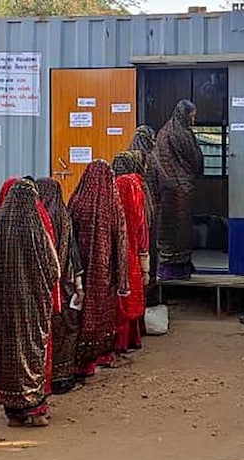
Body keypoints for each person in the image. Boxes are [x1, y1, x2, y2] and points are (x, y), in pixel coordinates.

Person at [0, 179, 60, 428]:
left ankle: (13, 411)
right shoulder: (35, 229)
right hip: (31, 308)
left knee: (7, 357)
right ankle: (34, 410)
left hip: (1, 310)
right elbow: (52, 267)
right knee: (31, 353)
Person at [69, 161, 130, 377]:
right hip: (104, 272)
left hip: (79, 270)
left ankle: (78, 361)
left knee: (79, 313)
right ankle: (100, 356)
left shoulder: (76, 200)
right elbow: (121, 240)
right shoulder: (113, 205)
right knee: (101, 312)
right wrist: (122, 276)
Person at [35, 178, 84, 395]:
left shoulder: (33, 218)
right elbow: (72, 255)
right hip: (64, 287)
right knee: (66, 330)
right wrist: (78, 285)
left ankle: (41, 380)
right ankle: (62, 377)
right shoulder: (63, 217)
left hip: (40, 288)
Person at [154, 100, 203, 281]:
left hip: (165, 190)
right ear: (186, 114)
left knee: (166, 230)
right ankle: (181, 270)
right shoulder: (184, 134)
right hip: (183, 190)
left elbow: (157, 161)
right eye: (192, 115)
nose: (194, 119)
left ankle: (165, 270)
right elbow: (195, 158)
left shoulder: (163, 133)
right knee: (181, 231)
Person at [112, 152, 150, 354]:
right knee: (133, 295)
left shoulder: (114, 187)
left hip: (116, 252)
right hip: (133, 251)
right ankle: (133, 339)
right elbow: (142, 224)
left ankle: (118, 342)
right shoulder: (136, 185)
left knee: (119, 299)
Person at [130, 125, 161, 305]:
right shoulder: (151, 158)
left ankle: (134, 296)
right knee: (147, 249)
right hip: (148, 211)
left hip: (129, 213)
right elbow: (160, 182)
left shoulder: (125, 157)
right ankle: (149, 297)